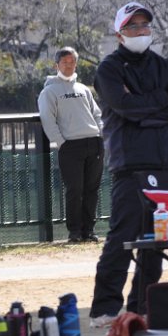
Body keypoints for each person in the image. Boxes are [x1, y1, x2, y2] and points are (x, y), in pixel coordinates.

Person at [89, 2, 168, 328]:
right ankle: (104, 309)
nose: (140, 31)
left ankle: (142, 305)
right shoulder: (108, 69)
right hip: (130, 167)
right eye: (132, 26)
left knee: (156, 240)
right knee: (122, 237)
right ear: (119, 34)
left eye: (144, 25)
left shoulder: (167, 67)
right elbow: (124, 106)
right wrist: (158, 102)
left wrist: (143, 111)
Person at [37, 46, 104, 243]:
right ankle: (74, 232)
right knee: (75, 190)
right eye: (65, 62)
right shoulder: (49, 91)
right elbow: (48, 119)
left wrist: (100, 134)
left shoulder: (83, 89)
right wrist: (61, 142)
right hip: (70, 146)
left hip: (94, 142)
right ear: (56, 65)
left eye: (72, 62)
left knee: (92, 190)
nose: (69, 65)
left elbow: (97, 114)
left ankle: (88, 230)